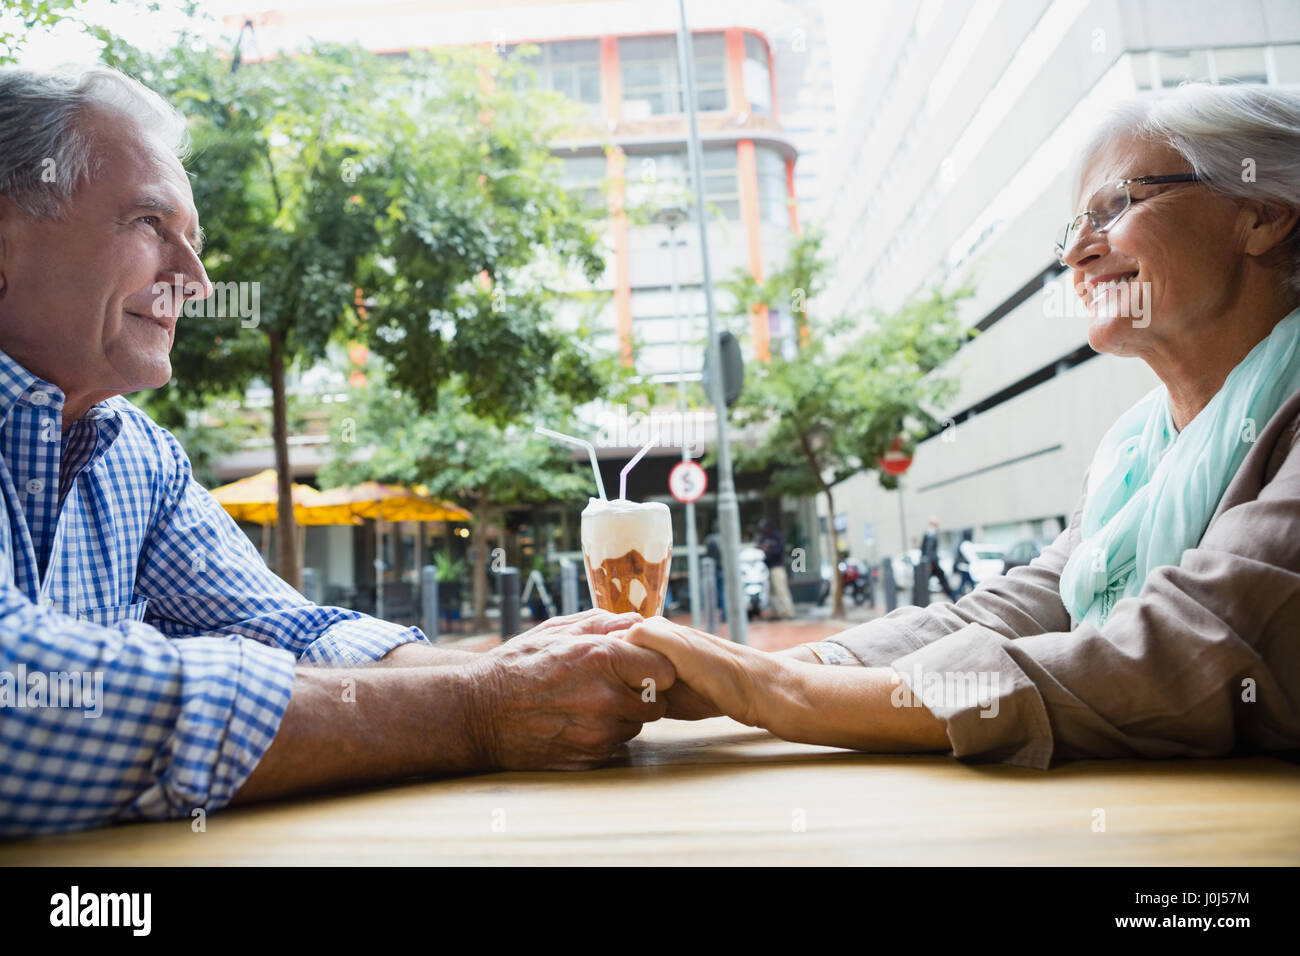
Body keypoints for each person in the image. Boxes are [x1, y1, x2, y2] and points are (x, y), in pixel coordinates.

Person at [0, 66, 674, 837]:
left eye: (195, 241)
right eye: (151, 225)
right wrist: (478, 710)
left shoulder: (135, 455)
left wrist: (531, 668)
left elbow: (292, 631)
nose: (197, 282)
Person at [619, 83, 1300, 769]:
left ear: (1263, 214)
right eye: (1075, 226)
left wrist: (777, 690)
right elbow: (1021, 609)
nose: (1076, 255)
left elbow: (1178, 659)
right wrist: (716, 675)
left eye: (1118, 205)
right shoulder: (1138, 454)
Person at [757, 519, 795, 619]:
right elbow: (758, 549)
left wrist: (767, 549)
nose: (764, 530)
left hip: (777, 567)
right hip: (766, 569)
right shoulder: (763, 538)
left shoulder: (776, 536)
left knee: (782, 591)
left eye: (765, 528)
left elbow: (779, 551)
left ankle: (789, 613)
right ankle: (777, 613)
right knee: (771, 593)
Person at [919, 516, 957, 601]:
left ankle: (952, 596)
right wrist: (929, 563)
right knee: (930, 582)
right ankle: (953, 597)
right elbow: (928, 549)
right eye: (936, 523)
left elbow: (924, 549)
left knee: (930, 582)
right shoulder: (931, 533)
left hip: (932, 562)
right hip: (932, 563)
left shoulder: (929, 533)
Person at [951, 529, 976, 598]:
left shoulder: (963, 543)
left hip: (963, 567)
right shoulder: (966, 544)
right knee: (971, 584)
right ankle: (953, 596)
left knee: (964, 584)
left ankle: (954, 596)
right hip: (964, 567)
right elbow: (970, 556)